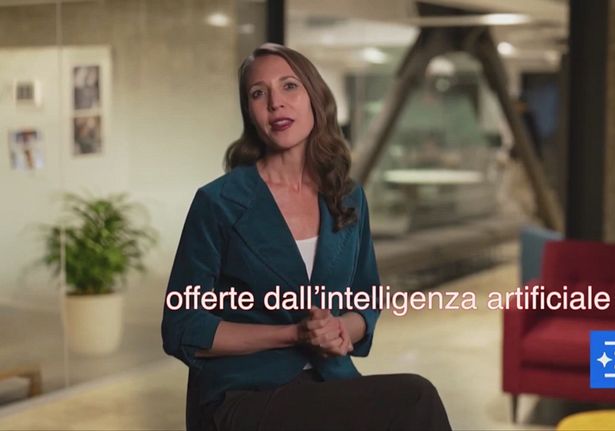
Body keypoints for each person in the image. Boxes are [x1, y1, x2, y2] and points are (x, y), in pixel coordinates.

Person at [161, 43, 452, 431]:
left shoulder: (347, 196)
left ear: (315, 96)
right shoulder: (218, 203)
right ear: (249, 111)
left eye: (289, 86)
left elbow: (366, 301)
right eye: (259, 93)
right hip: (244, 393)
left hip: (328, 380)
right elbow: (182, 326)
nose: (276, 103)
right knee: (415, 399)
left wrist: (340, 330)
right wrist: (293, 334)